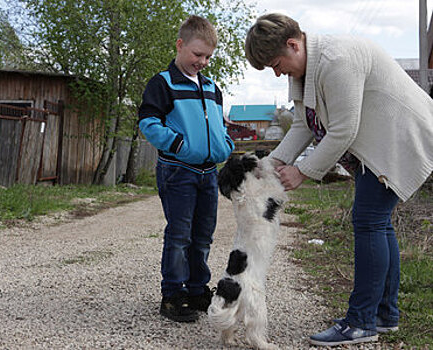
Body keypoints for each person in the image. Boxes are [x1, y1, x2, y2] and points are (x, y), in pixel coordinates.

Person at [245, 13, 433, 347]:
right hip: (377, 144)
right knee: (377, 223)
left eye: (276, 64)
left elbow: (344, 128)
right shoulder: (304, 69)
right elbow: (305, 124)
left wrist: (302, 171)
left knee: (369, 221)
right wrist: (274, 163)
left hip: (398, 138)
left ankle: (361, 321)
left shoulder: (336, 60)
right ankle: (384, 315)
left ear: (293, 44)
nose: (277, 73)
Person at [138, 15, 234, 323]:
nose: (203, 61)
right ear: (180, 45)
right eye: (197, 54)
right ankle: (172, 295)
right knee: (180, 235)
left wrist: (225, 144)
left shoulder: (211, 87)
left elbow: (219, 124)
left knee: (203, 235)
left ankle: (196, 290)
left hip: (209, 173)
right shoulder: (162, 84)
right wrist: (180, 145)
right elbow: (149, 124)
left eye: (208, 56)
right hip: (178, 170)